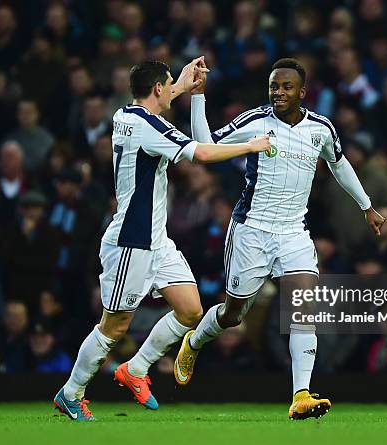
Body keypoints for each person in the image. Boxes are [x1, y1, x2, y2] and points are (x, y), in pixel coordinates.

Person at [53, 57, 271, 421]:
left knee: (190, 310)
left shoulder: (126, 115)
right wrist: (251, 146)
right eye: (168, 84)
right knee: (114, 325)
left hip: (157, 239)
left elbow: (160, 100)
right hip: (131, 242)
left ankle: (135, 370)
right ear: (157, 89)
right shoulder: (151, 127)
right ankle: (71, 393)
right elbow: (200, 154)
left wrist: (184, 83)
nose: (171, 90)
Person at [177, 58, 384, 419]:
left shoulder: (321, 129)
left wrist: (367, 206)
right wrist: (198, 96)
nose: (279, 92)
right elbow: (205, 146)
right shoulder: (255, 121)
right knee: (233, 315)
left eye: (287, 87)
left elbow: (340, 164)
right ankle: (194, 341)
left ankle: (300, 394)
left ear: (302, 92)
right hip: (251, 231)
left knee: (304, 308)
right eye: (274, 86)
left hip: (294, 232)